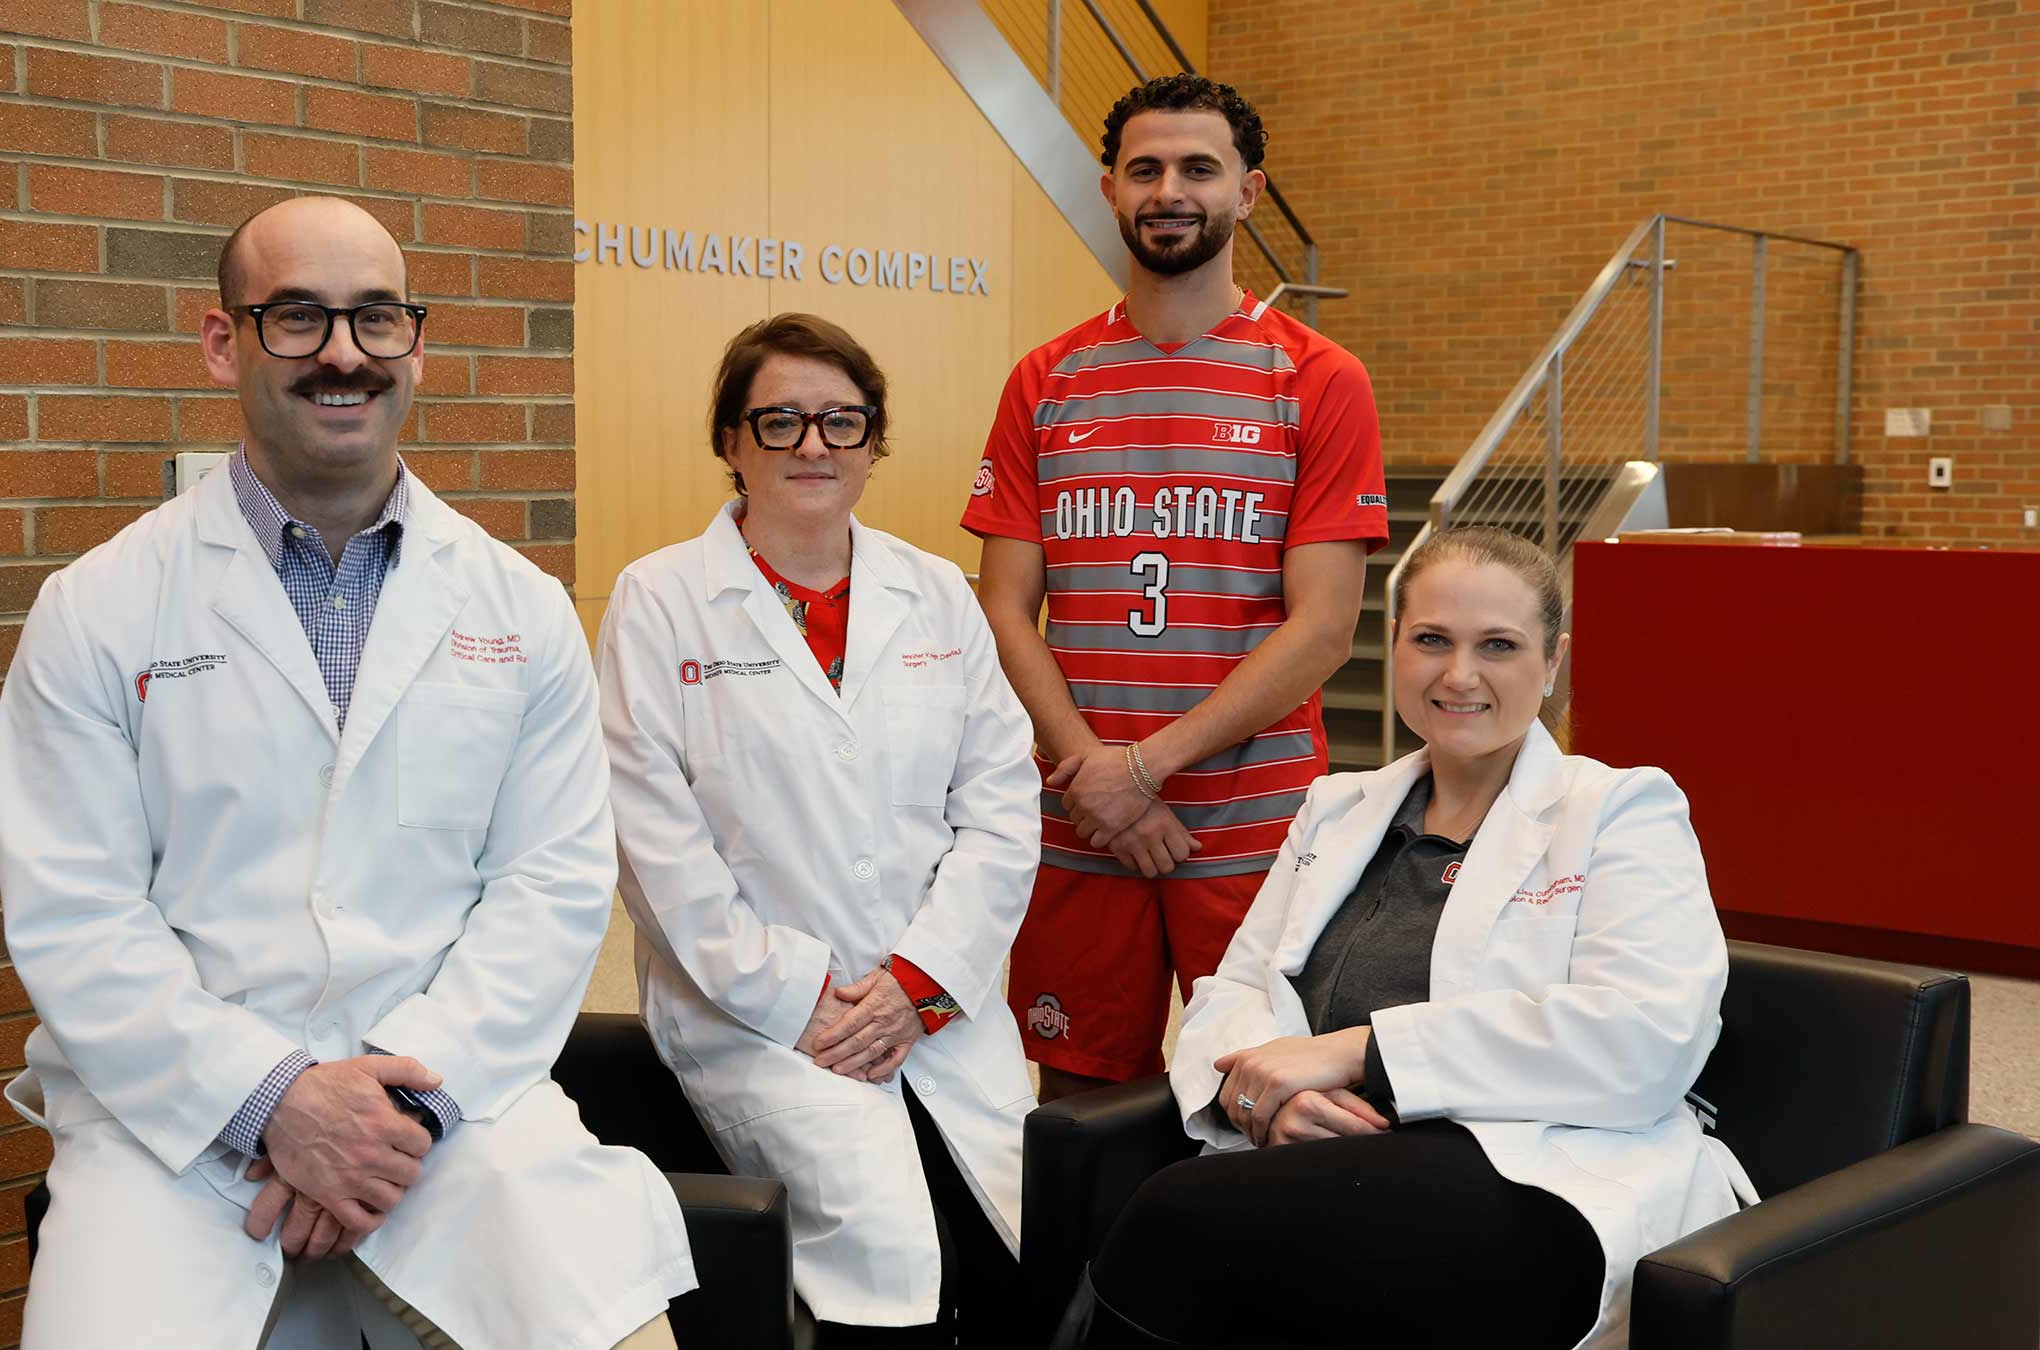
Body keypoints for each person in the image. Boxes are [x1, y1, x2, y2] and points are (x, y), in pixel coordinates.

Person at [0, 196, 694, 1350]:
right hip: (178, 1122)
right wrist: (277, 1103)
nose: (342, 354)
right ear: (223, 341)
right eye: (298, 317)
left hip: (449, 1103)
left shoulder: (518, 607)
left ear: (415, 346)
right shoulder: (99, 609)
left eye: (375, 319)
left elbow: (552, 889)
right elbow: (78, 920)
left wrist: (387, 1113)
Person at [1064, 527, 1758, 1350]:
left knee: (1177, 1216)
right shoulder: (1338, 807)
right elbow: (1235, 991)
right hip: (1330, 1166)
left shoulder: (1620, 809)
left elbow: (1648, 1038)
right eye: (1432, 640)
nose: (1459, 675)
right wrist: (1263, 1098)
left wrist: (1360, 1051)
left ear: (1553, 661)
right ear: (1395, 646)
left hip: (1534, 1173)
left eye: (1498, 645)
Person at [597, 314, 1042, 1346]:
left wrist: (921, 985)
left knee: (1019, 1235)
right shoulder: (660, 601)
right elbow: (654, 843)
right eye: (781, 421)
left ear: (874, 442)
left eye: (842, 422)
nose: (812, 446)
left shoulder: (934, 592)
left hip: (933, 996)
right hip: (762, 1013)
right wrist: (802, 1003)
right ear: (731, 440)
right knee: (882, 1256)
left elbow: (1001, 806)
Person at [961, 74, 1389, 1103]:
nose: (1170, 190)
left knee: (1259, 1088)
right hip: (1080, 817)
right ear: (1109, 187)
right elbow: (1002, 608)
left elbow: (1325, 627)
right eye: (1146, 168)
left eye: (1200, 168)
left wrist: (1142, 771)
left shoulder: (1319, 379)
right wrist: (1098, 778)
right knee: (1077, 1090)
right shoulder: (1045, 379)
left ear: (1247, 193)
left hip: (1248, 821)